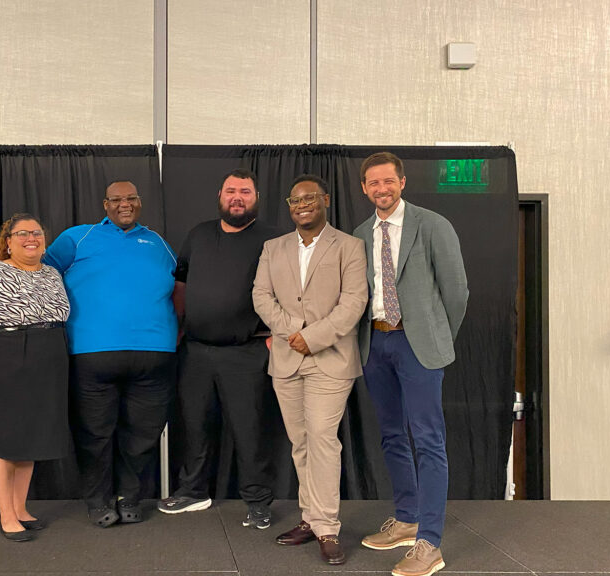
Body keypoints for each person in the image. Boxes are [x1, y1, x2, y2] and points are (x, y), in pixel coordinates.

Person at [353, 152, 468, 576]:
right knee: (391, 436)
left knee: (428, 440)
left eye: (388, 181)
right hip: (376, 344)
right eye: (373, 183)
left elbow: (457, 292)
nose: (381, 189)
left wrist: (436, 340)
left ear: (402, 182)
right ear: (364, 189)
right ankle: (406, 518)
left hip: (418, 349)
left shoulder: (433, 225)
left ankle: (429, 544)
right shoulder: (361, 233)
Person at [43, 180, 178, 528]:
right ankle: (99, 500)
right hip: (92, 353)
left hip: (155, 353)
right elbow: (41, 274)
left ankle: (130, 497)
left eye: (131, 198)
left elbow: (179, 285)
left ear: (140, 202)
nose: (125, 204)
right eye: (117, 199)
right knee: (95, 433)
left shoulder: (158, 243)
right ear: (105, 205)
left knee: (144, 433)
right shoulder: (77, 237)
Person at [252, 174, 367, 565]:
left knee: (321, 437)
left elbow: (354, 303)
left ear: (325, 200)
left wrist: (312, 337)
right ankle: (311, 519)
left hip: (330, 360)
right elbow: (261, 296)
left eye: (310, 198)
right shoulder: (273, 247)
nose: (302, 204)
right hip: (286, 358)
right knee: (301, 442)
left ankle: (328, 527)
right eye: (295, 200)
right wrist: (291, 333)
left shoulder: (349, 247)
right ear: (289, 206)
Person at [158, 168, 282, 529]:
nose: (237, 197)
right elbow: (180, 284)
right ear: (220, 195)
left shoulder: (272, 240)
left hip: (246, 351)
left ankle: (258, 501)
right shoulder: (198, 234)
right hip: (196, 350)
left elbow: (291, 287)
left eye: (245, 191)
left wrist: (277, 332)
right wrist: (179, 329)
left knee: (250, 429)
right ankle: (194, 492)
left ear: (255, 197)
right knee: (194, 425)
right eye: (231, 191)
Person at [0, 213, 71, 543]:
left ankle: (21, 509)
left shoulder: (52, 273)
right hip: (8, 356)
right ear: (8, 241)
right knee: (5, 441)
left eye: (36, 232)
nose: (30, 238)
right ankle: (6, 516)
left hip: (48, 358)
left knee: (29, 442)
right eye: (21, 234)